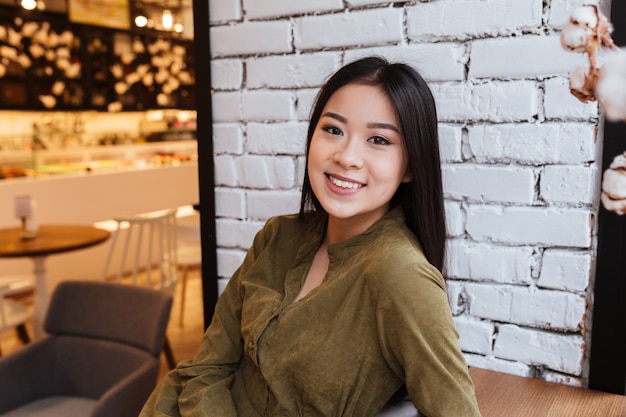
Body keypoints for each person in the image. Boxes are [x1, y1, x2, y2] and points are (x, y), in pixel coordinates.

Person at [139, 56, 482, 417]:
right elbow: (207, 366)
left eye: (378, 139)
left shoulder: (400, 275)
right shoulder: (277, 237)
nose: (347, 156)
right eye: (333, 129)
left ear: (410, 166)